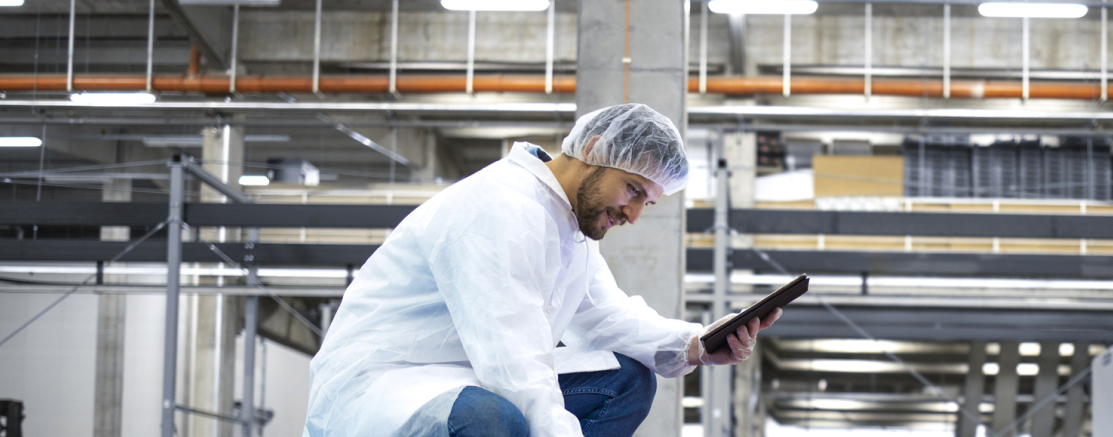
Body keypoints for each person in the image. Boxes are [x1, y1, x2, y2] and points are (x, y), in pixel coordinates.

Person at [303, 104, 781, 437]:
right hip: (387, 382)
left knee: (628, 379)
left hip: (463, 373)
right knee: (493, 419)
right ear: (594, 149)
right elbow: (513, 358)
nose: (633, 215)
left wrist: (696, 344)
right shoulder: (500, 207)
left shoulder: (567, 226)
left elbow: (607, 315)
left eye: (648, 203)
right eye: (633, 190)